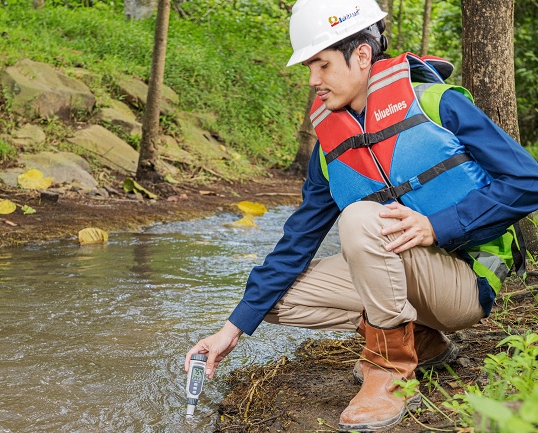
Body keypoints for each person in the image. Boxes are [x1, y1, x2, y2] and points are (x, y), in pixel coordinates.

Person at [185, 0, 538, 431]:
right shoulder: (331, 146)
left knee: (359, 219)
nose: (313, 80)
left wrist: (436, 225)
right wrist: (230, 331)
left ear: (362, 55)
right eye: (309, 67)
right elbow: (298, 239)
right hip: (404, 274)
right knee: (273, 300)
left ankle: (389, 373)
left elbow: (528, 180)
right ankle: (422, 342)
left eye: (322, 65)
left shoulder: (435, 103)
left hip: (466, 281)